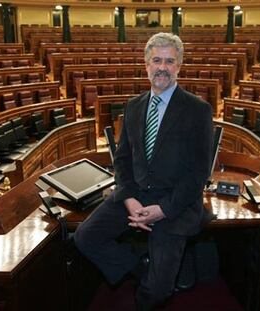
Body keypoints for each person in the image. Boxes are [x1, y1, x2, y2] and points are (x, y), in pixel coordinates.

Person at [74, 32, 214, 310]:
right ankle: (141, 267)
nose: (163, 67)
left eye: (170, 61)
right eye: (157, 60)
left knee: (159, 289)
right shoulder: (134, 105)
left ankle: (151, 285)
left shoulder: (198, 110)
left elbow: (198, 173)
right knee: (85, 237)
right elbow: (123, 159)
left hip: (174, 202)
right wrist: (129, 199)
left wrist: (162, 210)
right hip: (135, 194)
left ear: (179, 65)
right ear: (146, 64)